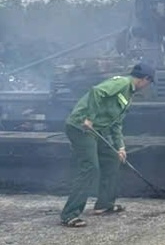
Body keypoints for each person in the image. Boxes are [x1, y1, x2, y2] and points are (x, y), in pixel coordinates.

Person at [60, 63, 155, 227]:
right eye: (149, 82)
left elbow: (116, 123)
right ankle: (69, 214)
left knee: (112, 158)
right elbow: (96, 92)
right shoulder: (122, 83)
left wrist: (121, 147)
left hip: (96, 129)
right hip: (80, 127)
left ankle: (104, 204)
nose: (147, 86)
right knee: (90, 167)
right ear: (145, 79)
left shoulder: (129, 94)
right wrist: (89, 117)